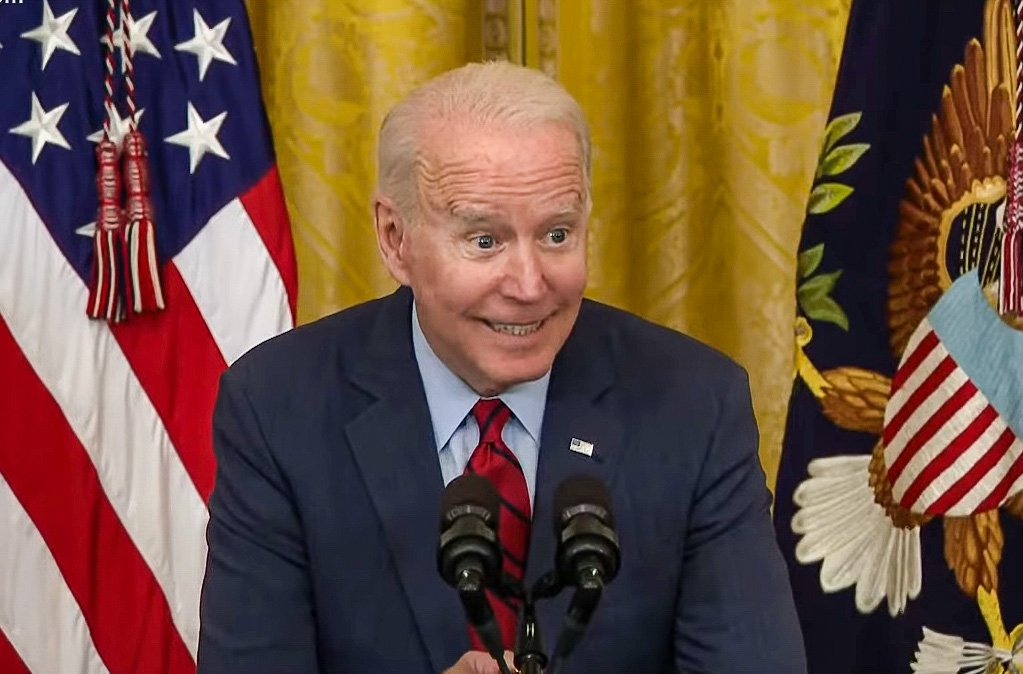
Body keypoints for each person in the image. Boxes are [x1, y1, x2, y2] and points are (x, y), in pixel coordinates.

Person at [196, 61, 806, 674]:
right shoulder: (278, 408)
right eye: (484, 241)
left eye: (557, 234)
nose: (529, 285)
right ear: (395, 238)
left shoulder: (693, 404)